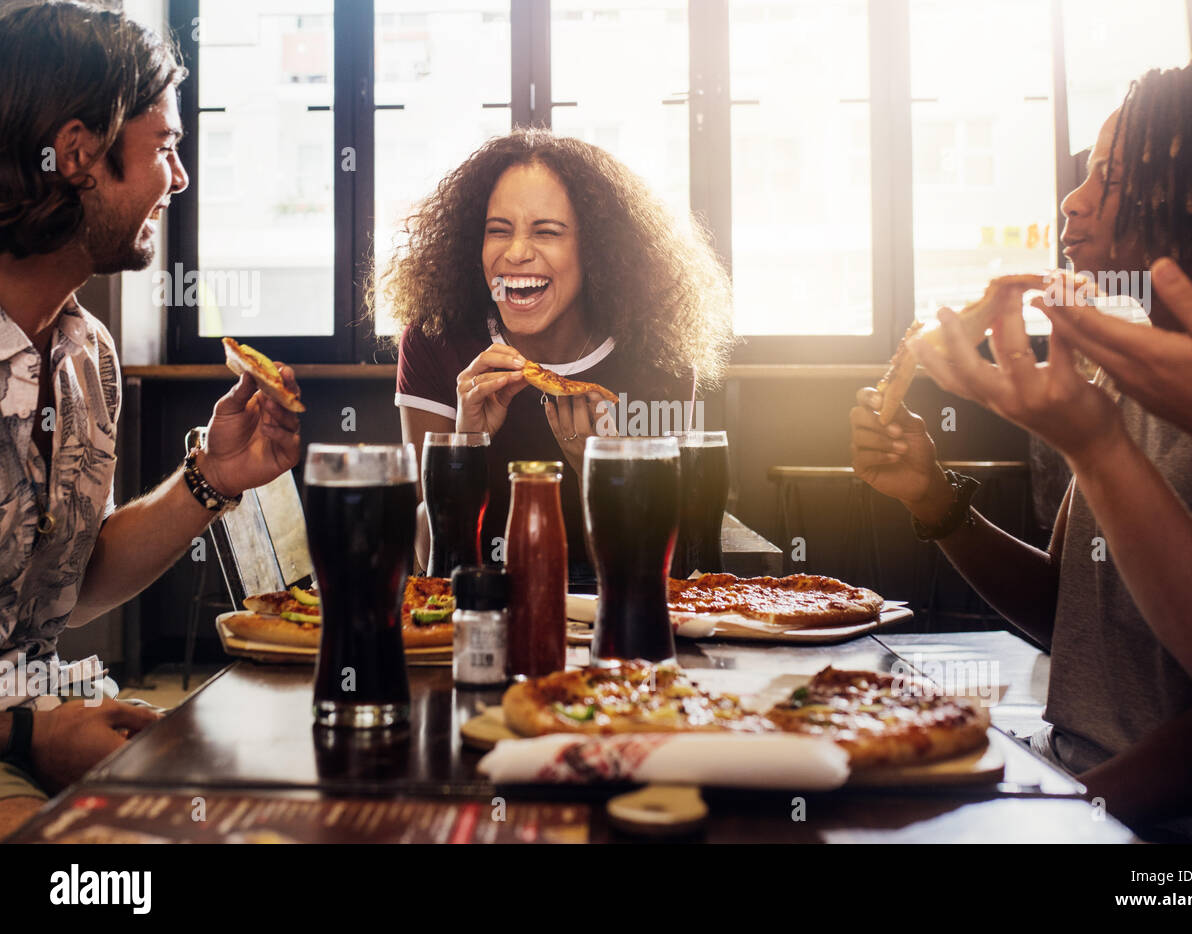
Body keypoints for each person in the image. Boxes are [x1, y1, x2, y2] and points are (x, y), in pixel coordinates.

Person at [851, 59, 1192, 841]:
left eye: (1111, 178)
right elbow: (1072, 617)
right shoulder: (1121, 373)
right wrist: (933, 497)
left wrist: (1056, 809)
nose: (1073, 200)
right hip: (1073, 774)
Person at [0, 2, 301, 836]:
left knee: (256, 807)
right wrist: (31, 732)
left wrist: (212, 478)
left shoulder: (86, 356)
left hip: (39, 709)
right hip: (21, 730)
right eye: (165, 147)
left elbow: (67, 579)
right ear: (76, 156)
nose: (180, 178)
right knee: (110, 869)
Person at [384, 129, 732, 579]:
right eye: (498, 231)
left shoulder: (658, 358)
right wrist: (465, 448)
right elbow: (427, 557)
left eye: (546, 232)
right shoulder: (435, 340)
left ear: (597, 250)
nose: (517, 253)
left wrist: (601, 475)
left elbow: (663, 567)